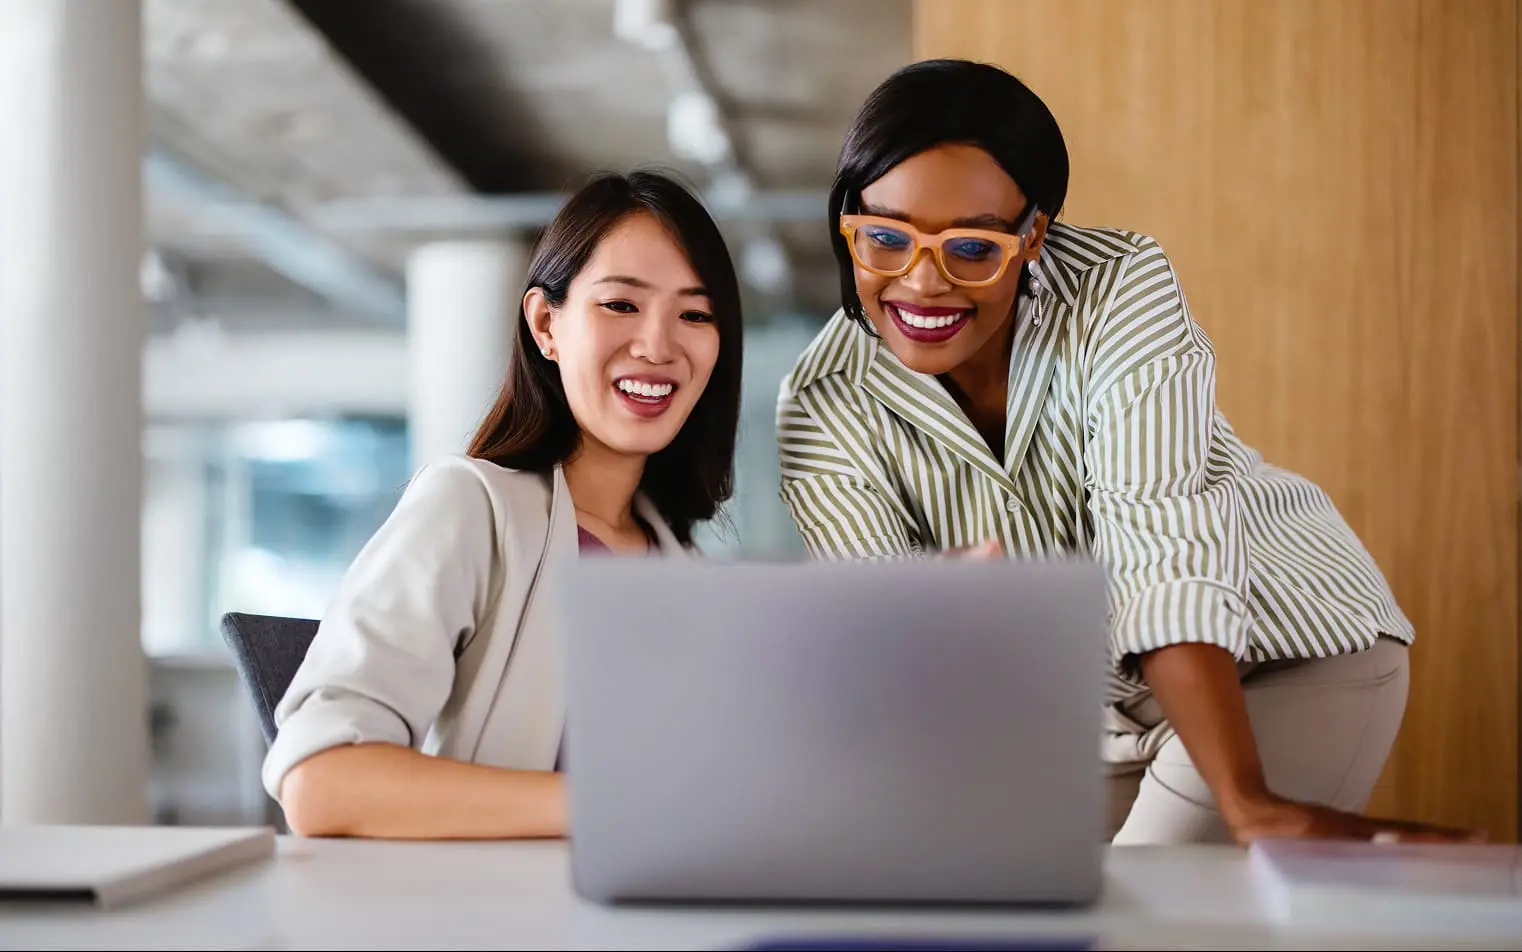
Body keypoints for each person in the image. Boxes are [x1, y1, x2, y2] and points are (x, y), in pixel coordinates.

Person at [776, 59, 1482, 846]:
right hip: (1092, 717)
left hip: (1281, 659)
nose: (921, 284)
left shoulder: (1118, 288)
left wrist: (1247, 800)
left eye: (971, 250)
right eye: (884, 238)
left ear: (1032, 234)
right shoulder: (823, 403)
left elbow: (1161, 541)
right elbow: (895, 643)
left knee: (1148, 924)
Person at [264, 170, 744, 839]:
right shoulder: (470, 506)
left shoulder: (684, 565)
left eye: (695, 314)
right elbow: (321, 781)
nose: (659, 345)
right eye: (621, 305)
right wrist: (613, 805)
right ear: (547, 324)